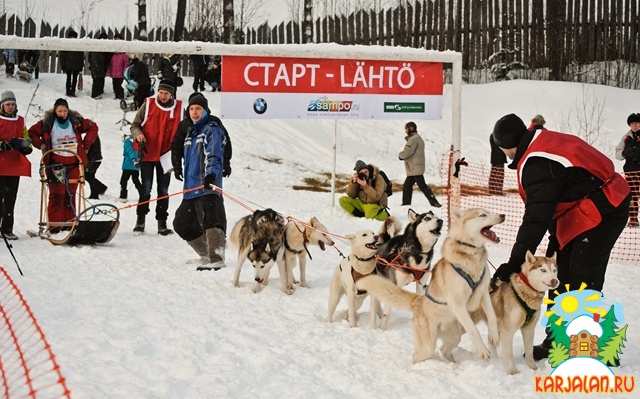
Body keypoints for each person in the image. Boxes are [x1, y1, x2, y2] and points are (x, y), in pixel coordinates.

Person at [490, 113, 630, 361]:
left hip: (606, 206)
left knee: (582, 277)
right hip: (578, 209)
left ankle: (588, 348)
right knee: (558, 275)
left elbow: (536, 220)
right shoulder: (536, 140)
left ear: (506, 147)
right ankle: (557, 341)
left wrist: (512, 266)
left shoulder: (537, 165)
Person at [172, 94, 227, 270]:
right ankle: (206, 255)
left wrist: (211, 175)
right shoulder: (190, 133)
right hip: (191, 187)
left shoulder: (211, 129)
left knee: (212, 220)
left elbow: (214, 154)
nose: (195, 112)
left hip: (207, 184)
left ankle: (216, 258)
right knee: (181, 223)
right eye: (192, 109)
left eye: (198, 109)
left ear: (205, 110)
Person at [28, 98, 99, 229]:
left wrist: (86, 145)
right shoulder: (47, 123)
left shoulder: (76, 121)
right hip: (55, 163)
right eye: (60, 111)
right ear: (55, 111)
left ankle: (70, 224)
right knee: (57, 194)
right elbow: (31, 132)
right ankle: (55, 225)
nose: (63, 114)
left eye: (65, 111)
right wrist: (42, 145)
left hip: (74, 163)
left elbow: (93, 126)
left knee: (70, 194)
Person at [130, 80, 183, 235]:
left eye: (166, 93)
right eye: (161, 92)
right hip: (147, 153)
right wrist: (138, 134)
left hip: (166, 156)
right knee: (145, 189)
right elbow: (135, 125)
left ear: (171, 94)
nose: (163, 96)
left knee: (163, 190)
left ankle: (162, 223)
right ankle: (140, 221)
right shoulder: (148, 104)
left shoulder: (179, 108)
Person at [0, 91, 33, 240]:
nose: (10, 107)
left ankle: (7, 228)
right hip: (1, 164)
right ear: (2, 105)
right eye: (7, 104)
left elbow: (26, 137)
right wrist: (2, 145)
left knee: (10, 198)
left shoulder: (20, 120)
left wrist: (26, 146)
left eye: (12, 104)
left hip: (14, 166)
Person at [398, 121, 441, 207]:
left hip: (415, 167)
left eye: (406, 128)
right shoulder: (417, 138)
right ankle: (406, 204)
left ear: (410, 129)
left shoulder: (413, 139)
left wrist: (400, 155)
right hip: (416, 167)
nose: (405, 130)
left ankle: (434, 202)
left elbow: (407, 152)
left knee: (421, 186)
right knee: (408, 186)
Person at [615, 113, 640, 227]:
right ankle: (633, 218)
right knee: (632, 194)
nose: (635, 125)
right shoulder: (626, 138)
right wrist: (625, 152)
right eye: (632, 123)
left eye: (637, 123)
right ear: (630, 125)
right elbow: (617, 154)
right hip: (630, 170)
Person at [117, 134, 143, 203]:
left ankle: (123, 197)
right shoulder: (136, 141)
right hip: (136, 166)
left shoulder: (127, 141)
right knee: (136, 181)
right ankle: (142, 195)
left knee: (123, 181)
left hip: (128, 165)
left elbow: (130, 151)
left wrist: (133, 160)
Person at [59, 29, 84, 97]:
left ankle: (72, 91)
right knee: (69, 78)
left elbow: (81, 56)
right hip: (68, 65)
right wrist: (63, 65)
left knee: (74, 79)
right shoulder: (66, 44)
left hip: (75, 65)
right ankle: (68, 91)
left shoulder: (78, 45)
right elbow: (62, 55)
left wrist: (81, 65)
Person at [88, 33, 110, 99]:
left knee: (100, 80)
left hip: (102, 66)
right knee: (96, 81)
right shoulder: (95, 48)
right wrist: (96, 66)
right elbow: (92, 58)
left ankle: (99, 92)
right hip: (97, 67)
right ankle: (95, 94)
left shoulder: (105, 47)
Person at [110, 34, 129, 100]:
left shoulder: (123, 56)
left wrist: (124, 72)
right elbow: (111, 65)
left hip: (121, 74)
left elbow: (126, 64)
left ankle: (121, 96)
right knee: (115, 85)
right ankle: (116, 95)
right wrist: (110, 71)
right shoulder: (113, 56)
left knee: (120, 85)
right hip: (114, 74)